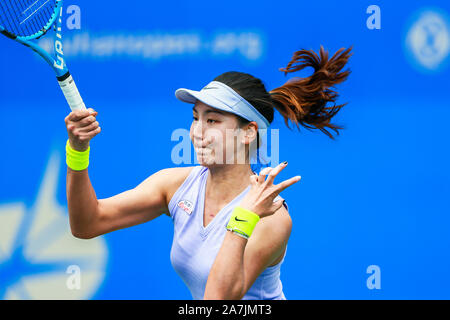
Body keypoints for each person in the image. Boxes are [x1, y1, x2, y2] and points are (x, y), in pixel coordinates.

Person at [64, 45, 353, 300]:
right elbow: (88, 223)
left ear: (247, 133)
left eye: (212, 121)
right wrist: (77, 150)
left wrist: (245, 217)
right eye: (195, 118)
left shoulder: (272, 217)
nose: (197, 133)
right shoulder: (174, 185)